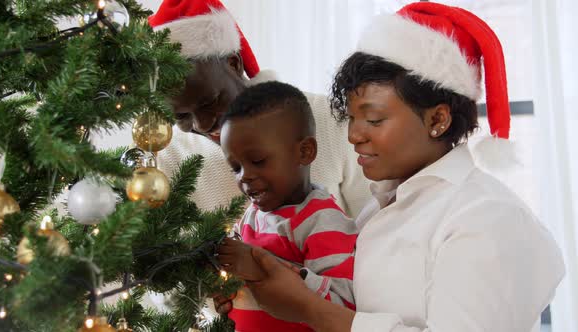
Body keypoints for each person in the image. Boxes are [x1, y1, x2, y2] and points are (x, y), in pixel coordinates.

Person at [223, 3, 565, 332]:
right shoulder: (378, 210)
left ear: (438, 119)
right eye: (352, 119)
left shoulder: (488, 217)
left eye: (374, 119)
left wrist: (309, 310)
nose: (354, 135)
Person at [147, 0, 371, 218]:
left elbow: (376, 227)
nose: (202, 124)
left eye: (209, 102)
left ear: (234, 64)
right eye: (181, 116)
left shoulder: (329, 118)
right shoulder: (164, 160)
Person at [217, 81, 357, 332]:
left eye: (258, 161)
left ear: (305, 152)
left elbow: (344, 304)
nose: (244, 176)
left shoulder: (321, 221)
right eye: (236, 167)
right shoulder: (253, 214)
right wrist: (228, 289)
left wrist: (259, 266)